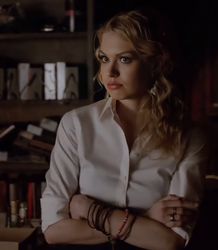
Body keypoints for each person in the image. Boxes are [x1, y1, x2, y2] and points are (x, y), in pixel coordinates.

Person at [41, 9, 209, 250]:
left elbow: (172, 241)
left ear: (155, 62)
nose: (110, 72)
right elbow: (54, 230)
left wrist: (91, 211)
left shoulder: (190, 136)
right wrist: (147, 219)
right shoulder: (76, 124)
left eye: (125, 59)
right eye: (104, 58)